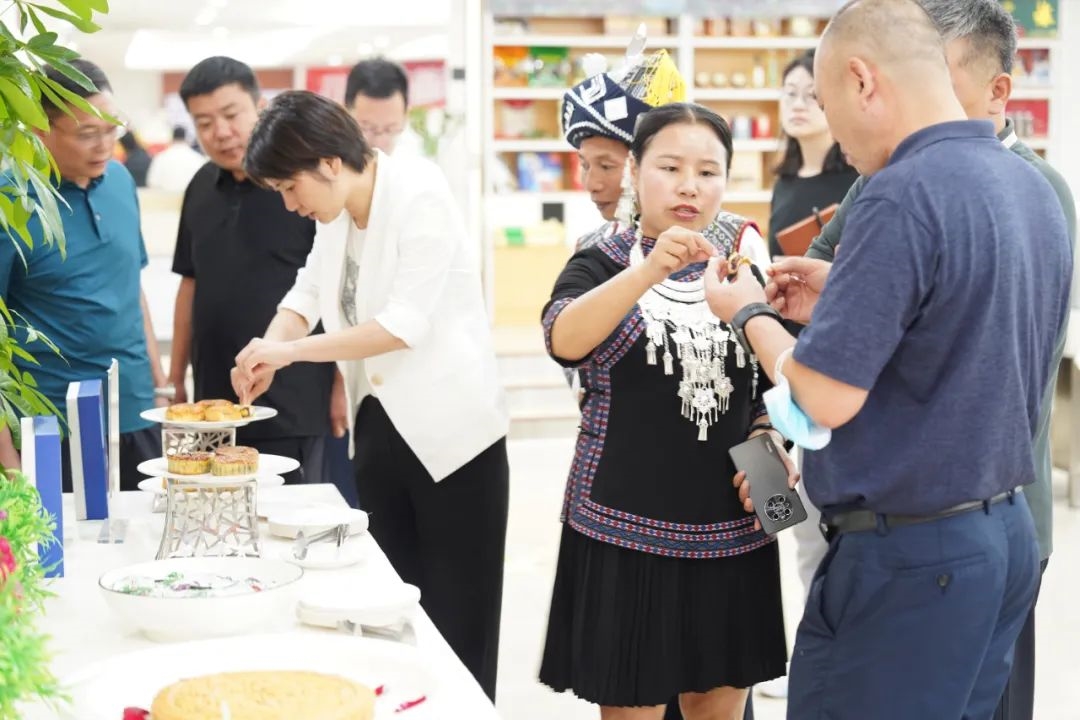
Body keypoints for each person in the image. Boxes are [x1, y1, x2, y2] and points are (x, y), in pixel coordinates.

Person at [704, 1, 1071, 718]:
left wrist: (749, 315)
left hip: (911, 556)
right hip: (1000, 536)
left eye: (830, 109)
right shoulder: (1028, 185)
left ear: (863, 80)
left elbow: (822, 398)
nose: (837, 141)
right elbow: (965, 323)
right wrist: (845, 290)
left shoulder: (899, 193)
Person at [231, 90, 509, 700]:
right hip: (379, 423)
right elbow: (306, 293)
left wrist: (290, 354)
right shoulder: (334, 215)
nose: (290, 204)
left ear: (330, 163)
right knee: (389, 606)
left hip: (453, 438)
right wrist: (269, 346)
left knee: (459, 619)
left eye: (290, 187)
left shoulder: (419, 192)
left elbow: (403, 326)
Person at [539, 102, 789, 720]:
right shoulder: (601, 260)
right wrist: (651, 269)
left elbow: (767, 387)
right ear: (635, 171)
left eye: (707, 171)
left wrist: (773, 446)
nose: (688, 187)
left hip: (733, 531)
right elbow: (563, 339)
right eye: (670, 168)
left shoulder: (743, 269)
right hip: (624, 531)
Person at [168, 57, 339, 488]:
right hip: (214, 406)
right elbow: (189, 283)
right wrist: (175, 379)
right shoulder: (199, 187)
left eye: (231, 114)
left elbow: (337, 288)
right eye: (204, 122)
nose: (221, 132)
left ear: (260, 108)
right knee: (217, 511)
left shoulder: (301, 185)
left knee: (290, 514)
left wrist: (343, 385)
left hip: (295, 402)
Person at [0, 59, 167, 490]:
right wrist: (8, 460)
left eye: (112, 129)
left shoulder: (121, 181)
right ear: (39, 130)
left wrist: (159, 386)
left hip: (135, 412)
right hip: (50, 426)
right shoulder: (10, 201)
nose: (105, 146)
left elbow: (132, 287)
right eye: (88, 133)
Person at [767, 49, 858, 259]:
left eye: (812, 95)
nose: (798, 105)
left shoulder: (859, 176)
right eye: (790, 94)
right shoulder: (783, 183)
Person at [344, 57, 419, 156]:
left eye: (390, 129)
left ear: (406, 116)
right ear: (345, 115)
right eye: (366, 128)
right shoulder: (329, 161)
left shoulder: (418, 163)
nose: (378, 144)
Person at [147, 125, 206, 193]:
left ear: (172, 138)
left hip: (165, 198)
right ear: (186, 138)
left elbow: (152, 182)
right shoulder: (198, 158)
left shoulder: (160, 157)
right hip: (191, 197)